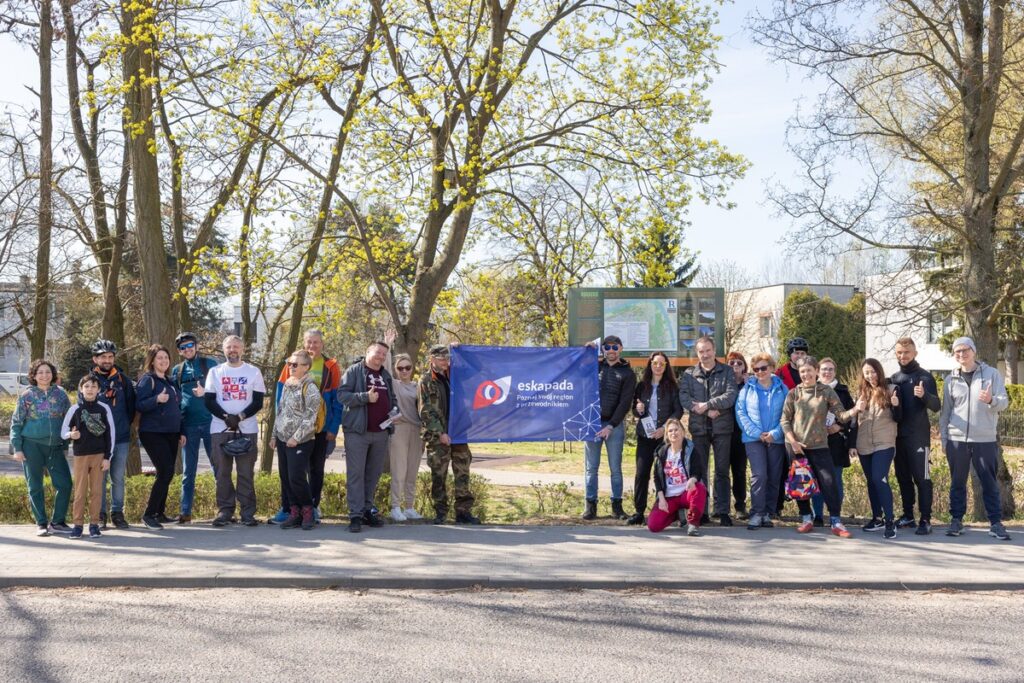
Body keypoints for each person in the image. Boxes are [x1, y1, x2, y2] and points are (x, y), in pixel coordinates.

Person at [939, 337, 1011, 541]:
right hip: (957, 440)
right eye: (957, 351)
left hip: (984, 440)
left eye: (965, 350)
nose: (961, 354)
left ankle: (995, 523)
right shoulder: (950, 379)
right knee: (957, 482)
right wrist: (944, 439)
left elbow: (1004, 402)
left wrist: (991, 400)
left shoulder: (992, 374)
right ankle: (956, 520)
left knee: (989, 482)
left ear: (974, 351)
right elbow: (945, 412)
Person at [270, 329, 341, 525]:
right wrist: (276, 433)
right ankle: (289, 509)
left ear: (322, 344)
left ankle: (311, 508)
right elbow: (280, 403)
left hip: (318, 428)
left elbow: (336, 400)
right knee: (288, 473)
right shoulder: (292, 364)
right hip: (289, 430)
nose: (312, 345)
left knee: (315, 470)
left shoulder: (330, 366)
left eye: (316, 342)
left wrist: (333, 428)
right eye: (309, 342)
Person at [780, 355, 855, 537]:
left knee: (829, 483)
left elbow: (842, 415)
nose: (806, 374)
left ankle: (836, 521)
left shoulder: (826, 392)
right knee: (801, 484)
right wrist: (793, 441)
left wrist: (857, 409)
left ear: (816, 371)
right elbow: (784, 420)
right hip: (796, 446)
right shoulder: (793, 393)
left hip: (820, 446)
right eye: (802, 371)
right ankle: (807, 519)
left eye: (809, 370)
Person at [204, 335, 266, 527]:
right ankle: (225, 511)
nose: (232, 350)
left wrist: (239, 417)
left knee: (245, 472)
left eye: (236, 346)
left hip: (247, 429)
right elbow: (209, 401)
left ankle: (247, 512)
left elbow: (258, 402)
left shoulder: (253, 372)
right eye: (229, 347)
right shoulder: (215, 372)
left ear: (243, 349)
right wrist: (226, 417)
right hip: (219, 429)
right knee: (222, 472)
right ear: (224, 350)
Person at [338, 340, 397, 532]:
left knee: (373, 474)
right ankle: (355, 515)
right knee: (356, 474)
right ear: (367, 352)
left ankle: (366, 510)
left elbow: (392, 398)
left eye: (384, 354)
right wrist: (365, 397)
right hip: (357, 432)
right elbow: (342, 396)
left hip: (381, 433)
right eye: (378, 352)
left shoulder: (385, 375)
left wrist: (394, 413)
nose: (381, 357)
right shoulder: (354, 371)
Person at [678, 336, 738, 526]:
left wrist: (709, 404)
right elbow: (684, 397)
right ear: (697, 353)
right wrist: (703, 410)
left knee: (722, 470)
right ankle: (701, 511)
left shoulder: (727, 371)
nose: (705, 354)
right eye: (701, 351)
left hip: (722, 428)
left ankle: (723, 511)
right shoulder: (689, 374)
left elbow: (731, 395)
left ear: (714, 350)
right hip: (699, 429)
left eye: (708, 350)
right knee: (700, 471)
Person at [419, 344, 480, 526]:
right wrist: (440, 433)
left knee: (462, 471)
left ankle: (463, 512)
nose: (445, 362)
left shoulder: (455, 375)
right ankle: (440, 512)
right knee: (439, 474)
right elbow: (426, 411)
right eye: (441, 359)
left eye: (448, 358)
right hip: (438, 434)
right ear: (432, 359)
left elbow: (478, 367)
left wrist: (461, 351)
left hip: (459, 431)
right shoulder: (426, 381)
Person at [11, 359, 72, 536]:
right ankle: (41, 523)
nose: (44, 375)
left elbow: (68, 420)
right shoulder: (27, 396)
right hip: (31, 445)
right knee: (35, 485)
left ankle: (58, 522)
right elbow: (16, 422)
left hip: (55, 446)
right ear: (34, 375)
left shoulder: (61, 395)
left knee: (65, 484)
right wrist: (17, 448)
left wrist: (66, 444)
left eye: (48, 372)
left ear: (53, 374)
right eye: (40, 372)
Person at [890, 336, 941, 534]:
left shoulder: (924, 377)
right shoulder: (894, 378)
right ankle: (908, 516)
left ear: (915, 353)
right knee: (903, 478)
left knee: (922, 478)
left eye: (906, 352)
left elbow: (936, 406)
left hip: (918, 437)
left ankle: (925, 519)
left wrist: (924, 395)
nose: (903, 356)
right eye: (899, 353)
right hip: (898, 437)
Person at [582, 335, 636, 520]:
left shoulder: (628, 373)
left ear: (620, 349)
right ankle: (590, 506)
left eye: (614, 347)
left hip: (614, 426)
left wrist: (611, 426)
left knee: (616, 469)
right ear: (602, 349)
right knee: (591, 468)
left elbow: (625, 403)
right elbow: (578, 374)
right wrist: (587, 352)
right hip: (592, 424)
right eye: (607, 347)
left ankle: (617, 507)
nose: (611, 350)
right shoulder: (595, 367)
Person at [848, 358, 902, 539]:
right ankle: (877, 518)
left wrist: (896, 405)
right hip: (864, 443)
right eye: (867, 373)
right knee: (871, 481)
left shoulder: (892, 389)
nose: (870, 375)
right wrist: (852, 444)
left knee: (880, 478)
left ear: (879, 371)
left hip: (884, 442)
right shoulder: (861, 393)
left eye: (873, 371)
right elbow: (854, 421)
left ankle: (890, 521)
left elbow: (899, 418)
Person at [627, 351, 682, 525]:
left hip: (664, 439)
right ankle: (639, 512)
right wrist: (639, 410)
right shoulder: (641, 386)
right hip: (645, 436)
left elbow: (678, 411)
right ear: (650, 365)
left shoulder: (672, 387)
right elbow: (635, 410)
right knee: (642, 473)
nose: (658, 366)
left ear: (666, 366)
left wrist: (664, 429)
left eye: (661, 364)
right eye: (655, 363)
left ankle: (668, 511)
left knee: (665, 474)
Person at [734, 353, 788, 530]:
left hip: (776, 438)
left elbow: (788, 414)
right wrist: (757, 433)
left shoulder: (782, 389)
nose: (760, 372)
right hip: (753, 439)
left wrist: (775, 433)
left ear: (772, 368)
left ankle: (767, 513)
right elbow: (740, 412)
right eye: (756, 369)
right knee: (759, 475)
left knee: (774, 476)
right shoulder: (747, 389)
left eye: (763, 368)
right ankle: (756, 513)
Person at [87, 339, 136, 530]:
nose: (107, 360)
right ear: (95, 359)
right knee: (100, 478)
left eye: (110, 356)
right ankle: (100, 514)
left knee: (118, 478)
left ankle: (117, 513)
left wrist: (122, 426)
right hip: (98, 440)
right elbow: (84, 409)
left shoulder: (123, 380)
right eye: (103, 357)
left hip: (121, 438)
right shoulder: (89, 381)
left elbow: (131, 407)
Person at [136, 344, 186, 530]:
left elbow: (177, 408)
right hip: (153, 432)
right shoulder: (147, 380)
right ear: (152, 361)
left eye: (166, 357)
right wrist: (156, 399)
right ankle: (149, 515)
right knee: (165, 471)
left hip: (171, 432)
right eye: (159, 358)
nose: (164, 361)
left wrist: (181, 431)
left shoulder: (170, 381)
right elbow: (139, 405)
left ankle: (159, 513)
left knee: (167, 472)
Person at [170, 331, 218, 524]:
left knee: (217, 468)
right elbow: (175, 400)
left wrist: (206, 392)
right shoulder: (177, 371)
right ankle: (185, 512)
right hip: (188, 426)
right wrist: (179, 429)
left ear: (196, 346)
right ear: (179, 351)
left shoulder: (210, 364)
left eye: (190, 345)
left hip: (211, 423)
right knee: (188, 472)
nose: (187, 349)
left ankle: (224, 510)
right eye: (183, 347)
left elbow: (222, 390)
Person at [61, 375, 115, 538]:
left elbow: (110, 434)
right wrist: (71, 435)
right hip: (80, 456)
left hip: (99, 455)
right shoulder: (74, 409)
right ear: (81, 389)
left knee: (96, 492)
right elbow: (63, 431)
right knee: (79, 492)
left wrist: (107, 457)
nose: (90, 389)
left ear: (99, 390)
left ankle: (94, 525)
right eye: (86, 386)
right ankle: (77, 525)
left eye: (93, 386)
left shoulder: (104, 408)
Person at [274, 350, 322, 530]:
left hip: (300, 441)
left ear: (306, 367)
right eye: (290, 364)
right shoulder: (288, 383)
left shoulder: (310, 388)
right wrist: (274, 435)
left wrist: (296, 437)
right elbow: (280, 411)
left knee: (296, 477)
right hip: (282, 439)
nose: (291, 367)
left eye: (295, 364)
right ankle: (295, 513)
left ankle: (308, 511)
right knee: (286, 478)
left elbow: (311, 418)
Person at [810, 358, 855, 527]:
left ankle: (835, 515)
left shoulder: (843, 392)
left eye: (830, 369)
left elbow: (852, 416)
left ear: (835, 372)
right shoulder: (811, 390)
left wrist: (839, 426)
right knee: (817, 480)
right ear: (817, 371)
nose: (827, 372)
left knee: (835, 481)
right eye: (824, 369)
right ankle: (818, 515)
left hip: (836, 442)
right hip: (816, 442)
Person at [647, 418, 707, 537]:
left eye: (676, 430)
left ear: (683, 432)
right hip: (669, 497)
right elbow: (657, 477)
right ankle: (678, 514)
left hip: (686, 493)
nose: (673, 433)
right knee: (654, 526)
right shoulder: (661, 452)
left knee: (699, 488)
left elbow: (698, 471)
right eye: (670, 431)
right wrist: (661, 498)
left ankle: (693, 524)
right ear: (667, 435)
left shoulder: (691, 450)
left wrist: (692, 479)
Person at [772, 336, 809, 515]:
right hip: (784, 425)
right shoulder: (780, 373)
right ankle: (777, 506)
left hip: (805, 427)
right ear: (790, 355)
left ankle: (806, 511)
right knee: (780, 469)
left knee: (802, 468)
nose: (799, 356)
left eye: (802, 353)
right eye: (796, 353)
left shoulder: (809, 372)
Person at [389, 352, 424, 521]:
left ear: (412, 368)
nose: (404, 371)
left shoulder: (418, 386)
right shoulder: (394, 384)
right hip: (399, 429)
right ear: (396, 370)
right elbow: (384, 369)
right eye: (400, 368)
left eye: (407, 367)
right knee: (399, 470)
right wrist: (388, 346)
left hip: (417, 431)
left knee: (412, 470)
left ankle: (409, 507)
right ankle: (395, 507)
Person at [726, 351, 750, 519]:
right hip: (724, 432)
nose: (735, 365)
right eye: (732, 363)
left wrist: (749, 386)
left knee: (739, 470)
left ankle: (740, 506)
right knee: (721, 471)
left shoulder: (750, 384)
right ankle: (720, 506)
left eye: (739, 363)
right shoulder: (723, 383)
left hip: (742, 434)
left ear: (744, 366)